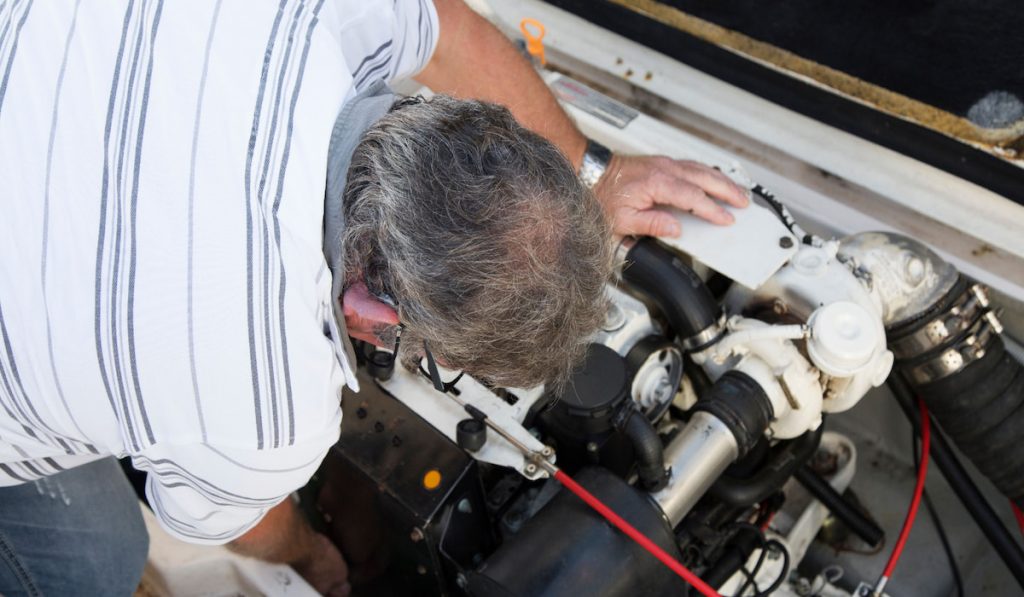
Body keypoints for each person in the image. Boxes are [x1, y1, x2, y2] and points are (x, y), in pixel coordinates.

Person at [0, 1, 748, 595]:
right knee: (99, 556)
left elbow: (447, 24)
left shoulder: (308, 12)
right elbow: (242, 527)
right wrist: (312, 551)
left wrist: (596, 174)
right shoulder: (265, 414)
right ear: (375, 316)